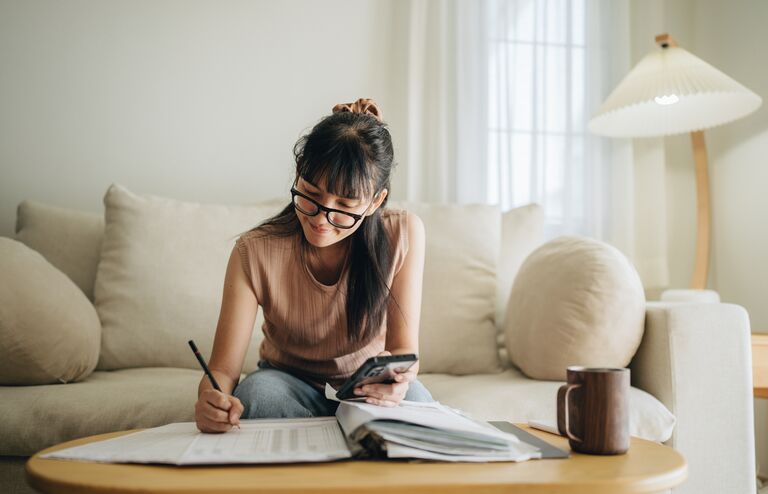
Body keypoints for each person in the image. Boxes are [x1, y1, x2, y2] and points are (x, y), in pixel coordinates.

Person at [194, 98, 433, 434]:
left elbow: (404, 350)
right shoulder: (254, 251)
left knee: (419, 406)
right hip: (287, 381)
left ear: (376, 201)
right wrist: (210, 397)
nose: (322, 219)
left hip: (367, 386)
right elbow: (223, 369)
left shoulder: (403, 233)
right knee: (257, 397)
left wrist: (398, 381)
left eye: (345, 205)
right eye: (310, 194)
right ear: (297, 174)